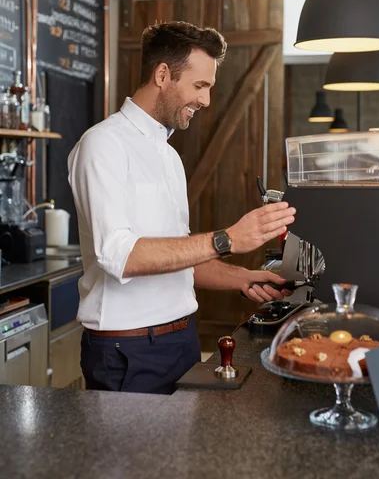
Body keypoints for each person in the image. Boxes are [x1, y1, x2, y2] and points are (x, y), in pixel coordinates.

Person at [68, 21, 296, 395]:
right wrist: (227, 239)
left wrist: (242, 278)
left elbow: (179, 256)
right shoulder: (102, 144)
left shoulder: (170, 157)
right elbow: (119, 256)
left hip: (181, 342)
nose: (206, 101)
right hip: (128, 351)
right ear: (162, 75)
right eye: (199, 86)